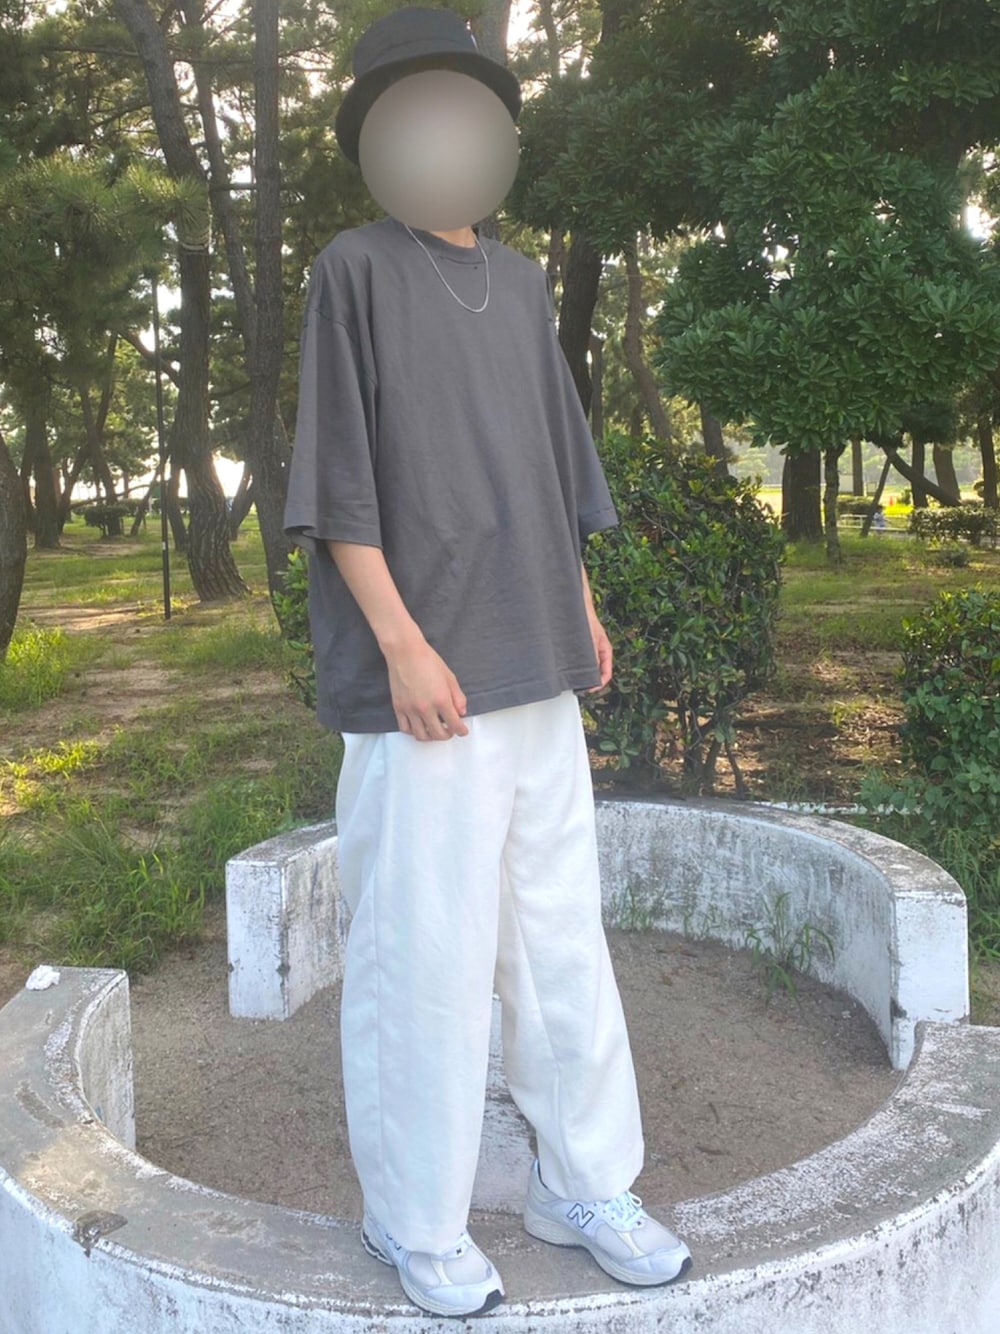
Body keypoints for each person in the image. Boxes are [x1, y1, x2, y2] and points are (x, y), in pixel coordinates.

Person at [283, 6, 692, 1318]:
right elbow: (336, 482)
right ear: (379, 135)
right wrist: (402, 645)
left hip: (535, 662)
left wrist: (581, 606)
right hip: (426, 688)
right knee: (426, 955)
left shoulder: (518, 286)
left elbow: (553, 462)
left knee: (560, 940)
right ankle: (415, 1218)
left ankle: (585, 1184)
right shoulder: (353, 269)